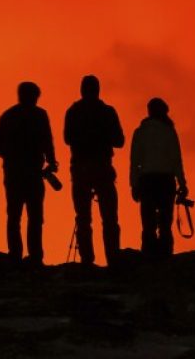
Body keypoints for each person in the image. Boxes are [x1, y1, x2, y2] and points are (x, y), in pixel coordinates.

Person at [0, 81, 58, 266]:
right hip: (30, 172)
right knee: (32, 215)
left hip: (16, 173)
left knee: (16, 215)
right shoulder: (39, 115)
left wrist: (10, 157)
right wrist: (51, 161)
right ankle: (34, 256)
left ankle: (16, 255)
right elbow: (47, 140)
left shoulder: (10, 115)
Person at [63, 74, 125, 266]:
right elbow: (120, 141)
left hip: (80, 168)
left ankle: (87, 260)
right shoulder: (107, 112)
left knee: (83, 218)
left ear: (82, 90)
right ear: (98, 90)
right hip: (102, 168)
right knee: (109, 217)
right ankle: (113, 258)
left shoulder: (74, 111)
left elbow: (67, 138)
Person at [129, 98, 188, 259]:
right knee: (165, 224)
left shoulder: (141, 131)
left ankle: (148, 256)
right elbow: (176, 160)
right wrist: (182, 184)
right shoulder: (169, 131)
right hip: (166, 181)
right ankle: (165, 256)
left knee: (148, 223)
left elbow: (135, 161)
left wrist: (134, 184)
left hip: (146, 181)